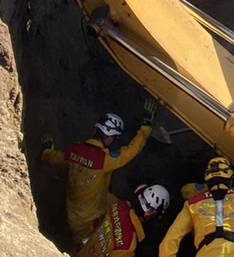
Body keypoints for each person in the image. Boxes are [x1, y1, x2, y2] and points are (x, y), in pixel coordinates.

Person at [40, 103, 154, 244]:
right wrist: (146, 126)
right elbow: (131, 150)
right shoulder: (104, 160)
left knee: (120, 206)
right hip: (86, 223)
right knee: (87, 246)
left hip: (85, 206)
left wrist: (46, 152)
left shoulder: (74, 151)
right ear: (110, 137)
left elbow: (55, 158)